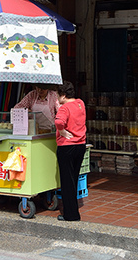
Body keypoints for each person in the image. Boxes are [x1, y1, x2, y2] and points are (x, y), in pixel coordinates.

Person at [54, 80, 87, 222]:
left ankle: (71, 215)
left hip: (66, 146)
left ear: (63, 95)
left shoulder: (64, 108)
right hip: (80, 145)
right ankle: (73, 212)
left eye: (57, 96)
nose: (57, 99)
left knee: (67, 182)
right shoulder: (81, 103)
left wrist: (61, 131)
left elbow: (58, 122)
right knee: (73, 179)